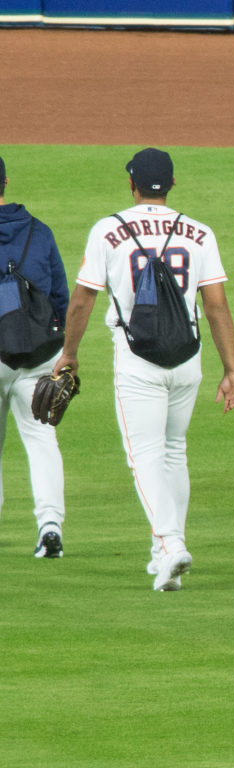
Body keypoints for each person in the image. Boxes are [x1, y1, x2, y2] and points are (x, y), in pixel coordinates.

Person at [56, 147, 234, 591]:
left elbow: (83, 299)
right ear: (172, 185)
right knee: (174, 450)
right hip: (188, 356)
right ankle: (164, 554)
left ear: (131, 184)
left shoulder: (108, 230)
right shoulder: (198, 232)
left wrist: (70, 353)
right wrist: (231, 369)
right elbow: (216, 307)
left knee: (144, 457)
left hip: (137, 357)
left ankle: (172, 543)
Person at [0, 155, 71, 558]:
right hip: (39, 353)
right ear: (5, 181)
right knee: (42, 439)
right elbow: (59, 296)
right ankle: (49, 528)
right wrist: (63, 352)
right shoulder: (39, 232)